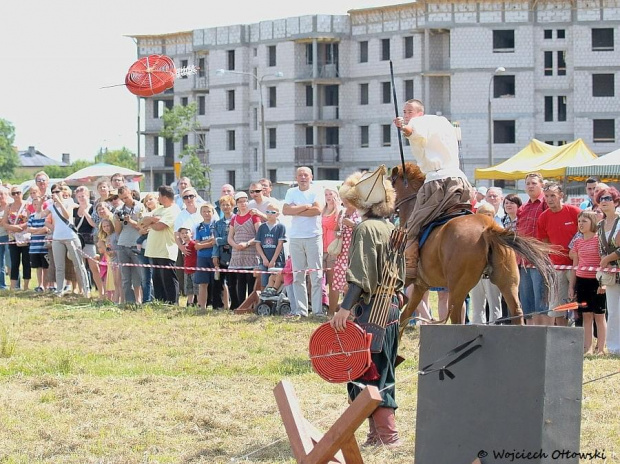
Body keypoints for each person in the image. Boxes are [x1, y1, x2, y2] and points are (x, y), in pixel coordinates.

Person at [331, 166, 404, 447]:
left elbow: (360, 275)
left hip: (370, 308)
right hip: (390, 307)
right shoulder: (391, 227)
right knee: (381, 368)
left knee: (364, 371)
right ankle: (378, 434)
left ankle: (386, 435)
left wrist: (344, 308)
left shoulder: (365, 228)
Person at [393, 99, 472, 281]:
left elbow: (413, 132)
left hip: (438, 183)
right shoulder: (443, 122)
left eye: (409, 111)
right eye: (404, 112)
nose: (406, 115)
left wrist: (403, 127)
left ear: (420, 112)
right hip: (460, 181)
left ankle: (410, 267)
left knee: (412, 225)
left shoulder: (420, 121)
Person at [282, 167, 325, 317]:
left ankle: (318, 311)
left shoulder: (317, 191)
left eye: (306, 175)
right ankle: (301, 311)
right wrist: (306, 206)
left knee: (316, 276)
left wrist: (297, 209)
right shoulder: (290, 192)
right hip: (295, 237)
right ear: (296, 177)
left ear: (311, 177)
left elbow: (317, 210)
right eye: (300, 175)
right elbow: (286, 210)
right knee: (298, 276)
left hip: (313, 237)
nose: (303, 177)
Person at [537, 182, 580, 327]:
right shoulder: (543, 217)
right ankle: (562, 338)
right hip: (557, 267)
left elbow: (585, 234)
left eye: (553, 196)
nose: (549, 199)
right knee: (559, 308)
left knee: (576, 305)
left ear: (561, 195)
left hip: (578, 266)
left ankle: (579, 339)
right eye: (547, 196)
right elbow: (544, 243)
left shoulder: (574, 212)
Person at [569, 210, 607, 355]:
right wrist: (572, 287)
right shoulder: (577, 242)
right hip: (582, 281)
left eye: (584, 221)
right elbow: (574, 266)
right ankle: (588, 347)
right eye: (579, 221)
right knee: (586, 315)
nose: (581, 224)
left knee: (599, 315)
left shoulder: (599, 240)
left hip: (597, 281)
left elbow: (604, 264)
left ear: (593, 222)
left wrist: (603, 283)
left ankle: (601, 348)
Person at [516, 172, 548, 325]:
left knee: (540, 303)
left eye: (534, 183)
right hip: (523, 260)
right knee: (526, 303)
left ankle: (541, 337)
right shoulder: (523, 207)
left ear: (542, 185)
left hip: (539, 260)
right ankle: (530, 337)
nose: (530, 186)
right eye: (528, 183)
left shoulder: (546, 204)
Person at [48, 183, 90, 297]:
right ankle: (59, 291)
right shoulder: (52, 206)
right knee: (59, 266)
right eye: (53, 192)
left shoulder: (69, 202)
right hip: (57, 238)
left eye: (57, 192)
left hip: (71, 237)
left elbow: (67, 216)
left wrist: (60, 202)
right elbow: (41, 215)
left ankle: (86, 290)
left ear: (62, 192)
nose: (55, 194)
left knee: (79, 265)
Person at [143, 186, 181, 305]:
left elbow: (160, 226)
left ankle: (172, 302)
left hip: (166, 250)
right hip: (154, 250)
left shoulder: (174, 210)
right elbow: (143, 222)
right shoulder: (159, 209)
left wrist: (152, 222)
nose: (158, 198)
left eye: (159, 196)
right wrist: (154, 220)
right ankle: (160, 302)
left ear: (164, 197)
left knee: (168, 278)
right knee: (157, 279)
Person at [595, 187, 620, 355]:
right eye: (601, 198)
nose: (604, 201)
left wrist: (606, 260)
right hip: (611, 274)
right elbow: (600, 249)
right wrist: (605, 265)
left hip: (614, 266)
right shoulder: (600, 224)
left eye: (608, 198)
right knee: (613, 310)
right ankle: (613, 348)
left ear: (616, 202)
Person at [469, 204, 503, 324]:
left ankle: (495, 328)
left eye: (489, 215)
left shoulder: (497, 231)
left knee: (494, 304)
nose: (486, 217)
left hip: (492, 272)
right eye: (483, 214)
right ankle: (477, 327)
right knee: (477, 304)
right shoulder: (472, 233)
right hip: (476, 273)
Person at [228, 191, 261, 309]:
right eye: (240, 202)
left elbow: (259, 234)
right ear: (236, 203)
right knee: (239, 282)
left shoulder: (254, 216)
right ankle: (241, 306)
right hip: (238, 254)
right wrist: (235, 245)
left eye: (245, 201)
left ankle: (250, 306)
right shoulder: (234, 218)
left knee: (250, 281)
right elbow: (230, 237)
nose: (243, 204)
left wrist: (247, 243)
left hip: (251, 253)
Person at [114, 186, 144, 304]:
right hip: (122, 244)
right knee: (125, 277)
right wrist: (117, 220)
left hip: (137, 244)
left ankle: (139, 300)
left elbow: (142, 227)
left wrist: (130, 220)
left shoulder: (140, 207)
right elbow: (117, 231)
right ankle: (128, 302)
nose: (125, 200)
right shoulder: (119, 209)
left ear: (131, 193)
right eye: (122, 198)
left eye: (126, 197)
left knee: (139, 274)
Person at [73, 186, 102, 297]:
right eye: (79, 196)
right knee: (79, 267)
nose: (81, 198)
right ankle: (83, 290)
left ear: (88, 196)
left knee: (94, 267)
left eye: (83, 196)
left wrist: (85, 213)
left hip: (89, 241)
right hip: (77, 241)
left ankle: (101, 291)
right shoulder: (74, 209)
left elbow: (94, 224)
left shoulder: (92, 208)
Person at [2, 186, 31, 290]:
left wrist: (22, 227)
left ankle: (26, 286)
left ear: (22, 193)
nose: (16, 195)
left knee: (26, 261)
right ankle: (13, 286)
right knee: (14, 262)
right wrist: (13, 227)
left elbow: (31, 219)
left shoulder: (27, 205)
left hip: (25, 237)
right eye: (13, 193)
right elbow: (4, 222)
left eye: (18, 193)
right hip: (12, 238)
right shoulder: (9, 207)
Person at [255, 202, 286, 290]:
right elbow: (258, 244)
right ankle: (264, 301)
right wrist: (264, 258)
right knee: (264, 282)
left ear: (277, 214)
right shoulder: (262, 227)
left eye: (272, 212)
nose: (269, 214)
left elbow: (280, 244)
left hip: (277, 260)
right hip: (264, 260)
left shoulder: (280, 227)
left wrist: (273, 260)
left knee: (276, 281)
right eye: (268, 212)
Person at [322, 187, 343, 314]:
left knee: (332, 282)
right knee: (319, 280)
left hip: (333, 249)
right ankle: (323, 306)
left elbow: (337, 227)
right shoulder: (322, 210)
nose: (328, 196)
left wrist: (336, 206)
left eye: (331, 194)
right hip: (321, 247)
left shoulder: (339, 210)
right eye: (326, 194)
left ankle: (332, 310)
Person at [212, 195, 235, 310]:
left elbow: (230, 238)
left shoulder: (236, 220)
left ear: (232, 206)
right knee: (219, 281)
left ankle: (234, 304)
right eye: (223, 205)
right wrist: (215, 255)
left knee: (232, 281)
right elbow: (215, 241)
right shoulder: (218, 223)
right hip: (221, 255)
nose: (225, 207)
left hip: (234, 254)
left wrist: (218, 240)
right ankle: (218, 305)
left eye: (228, 205)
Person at [194, 204, 217, 312]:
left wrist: (202, 245)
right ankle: (202, 307)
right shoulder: (198, 227)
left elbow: (214, 241)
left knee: (219, 282)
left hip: (214, 256)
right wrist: (207, 242)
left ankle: (224, 305)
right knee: (202, 283)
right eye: (204, 211)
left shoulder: (216, 225)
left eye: (209, 211)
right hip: (202, 258)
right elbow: (196, 245)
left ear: (212, 213)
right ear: (201, 213)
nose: (206, 214)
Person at [26, 196, 50, 292]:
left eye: (38, 203)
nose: (37, 206)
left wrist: (35, 231)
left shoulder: (46, 216)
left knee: (46, 266)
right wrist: (40, 230)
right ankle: (40, 285)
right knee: (38, 267)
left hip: (44, 246)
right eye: (34, 204)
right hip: (34, 247)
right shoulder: (31, 216)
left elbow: (46, 229)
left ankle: (46, 284)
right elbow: (28, 229)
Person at [178, 226, 198, 308]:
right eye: (182, 233)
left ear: (191, 234)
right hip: (187, 269)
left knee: (196, 288)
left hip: (194, 269)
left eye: (186, 232)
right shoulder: (183, 245)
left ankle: (199, 303)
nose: (184, 235)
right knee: (189, 289)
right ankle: (190, 303)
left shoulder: (193, 244)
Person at [0, 187, 11, 290]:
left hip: (8, 237)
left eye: (1, 194)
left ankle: (15, 285)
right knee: (0, 264)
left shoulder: (9, 207)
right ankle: (2, 285)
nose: (0, 196)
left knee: (10, 262)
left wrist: (3, 222)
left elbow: (5, 222)